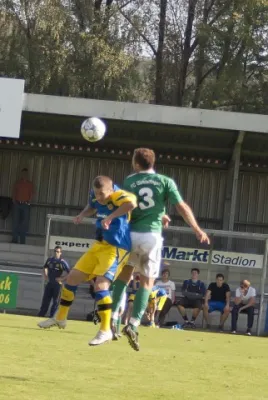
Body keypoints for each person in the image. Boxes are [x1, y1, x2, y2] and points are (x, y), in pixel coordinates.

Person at [111, 148, 210, 351]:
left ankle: (112, 317)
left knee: (124, 276)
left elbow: (130, 206)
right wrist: (197, 229)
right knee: (147, 282)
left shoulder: (130, 181)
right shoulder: (165, 182)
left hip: (131, 235)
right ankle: (134, 324)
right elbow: (181, 206)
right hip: (151, 237)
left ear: (137, 163)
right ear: (152, 163)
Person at [38, 175, 137, 346]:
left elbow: (132, 204)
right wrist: (82, 215)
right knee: (72, 278)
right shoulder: (95, 195)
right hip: (99, 245)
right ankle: (60, 318)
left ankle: (105, 330)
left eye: (102, 194)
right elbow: (92, 206)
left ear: (111, 189)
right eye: (97, 194)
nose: (99, 197)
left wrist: (111, 217)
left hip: (116, 248)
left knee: (101, 286)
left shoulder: (118, 195)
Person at [38, 246, 70, 318]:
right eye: (55, 251)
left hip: (57, 285)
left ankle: (52, 317)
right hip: (49, 284)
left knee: (55, 302)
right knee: (45, 300)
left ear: (61, 253)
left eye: (58, 252)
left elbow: (69, 273)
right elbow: (45, 267)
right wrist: (46, 276)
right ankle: (41, 315)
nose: (57, 253)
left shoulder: (62, 262)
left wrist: (62, 278)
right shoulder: (50, 260)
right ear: (54, 252)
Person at [12, 168, 33, 244]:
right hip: (17, 203)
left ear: (27, 174)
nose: (24, 175)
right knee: (15, 221)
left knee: (24, 223)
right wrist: (14, 201)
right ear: (21, 174)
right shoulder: (18, 183)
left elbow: (31, 194)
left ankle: (22, 240)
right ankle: (14, 239)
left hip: (25, 204)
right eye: (23, 173)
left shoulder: (30, 184)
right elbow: (14, 192)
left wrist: (29, 201)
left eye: (25, 174)